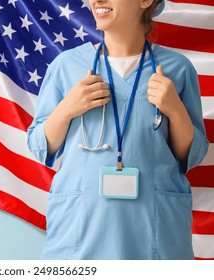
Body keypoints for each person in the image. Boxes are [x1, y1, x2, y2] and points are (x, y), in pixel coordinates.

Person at [27, 0, 208, 260]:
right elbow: (40, 146)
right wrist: (67, 108)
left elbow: (191, 155)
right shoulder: (66, 66)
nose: (96, 1)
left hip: (155, 234)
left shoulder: (177, 69)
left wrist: (175, 110)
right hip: (81, 232)